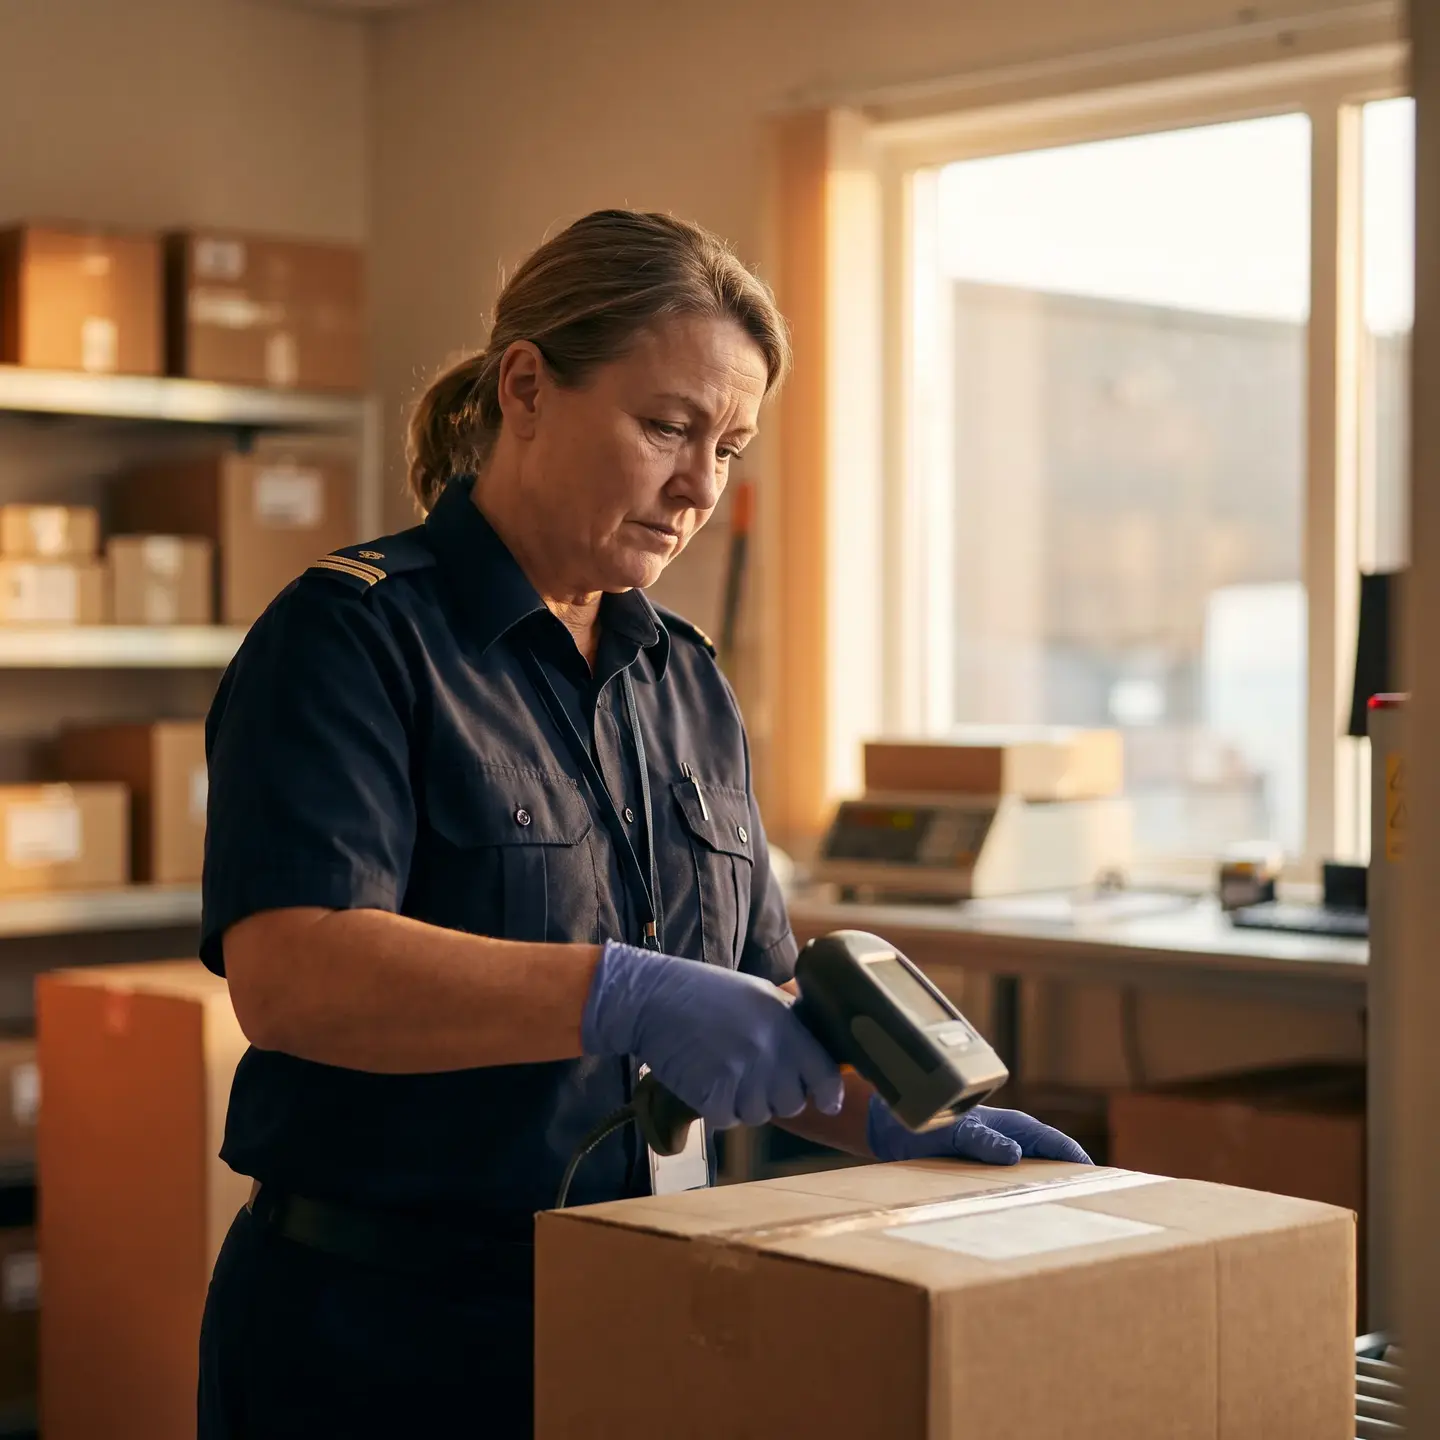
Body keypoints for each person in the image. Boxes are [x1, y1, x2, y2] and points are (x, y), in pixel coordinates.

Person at [195, 208, 1090, 1439]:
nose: (700, 485)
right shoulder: (353, 638)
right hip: (381, 1338)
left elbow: (756, 1004)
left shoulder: (686, 677)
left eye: (729, 445)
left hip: (640, 1307)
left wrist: (884, 1115)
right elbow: (292, 973)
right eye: (667, 426)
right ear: (525, 388)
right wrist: (618, 993)